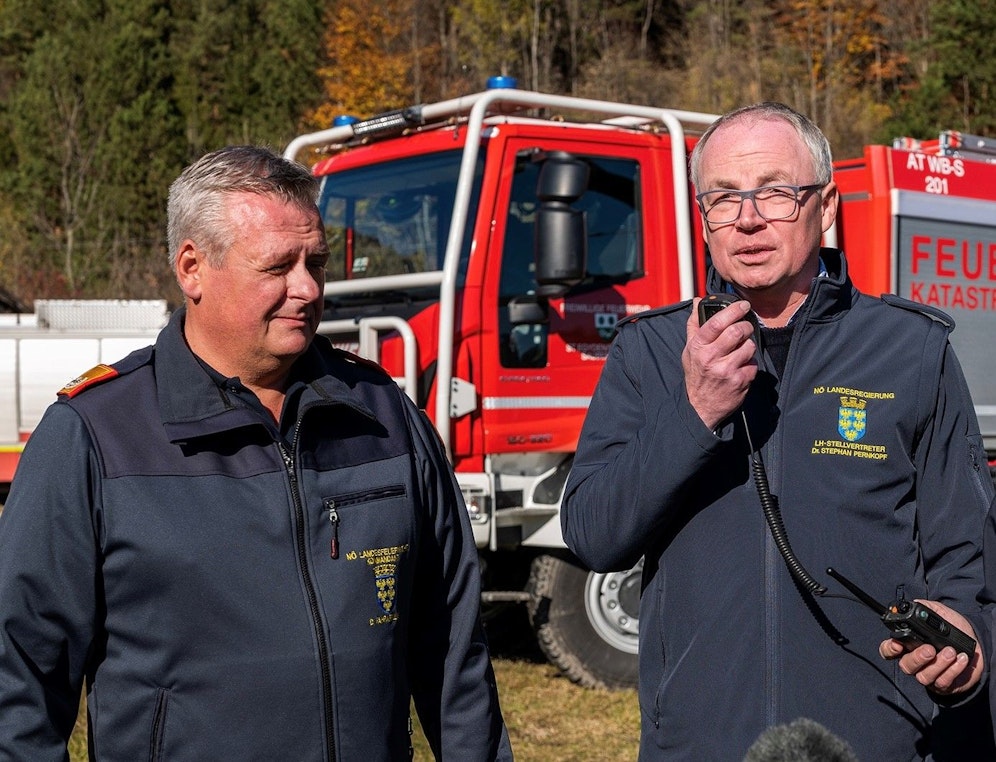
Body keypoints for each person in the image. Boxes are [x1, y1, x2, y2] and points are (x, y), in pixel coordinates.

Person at [0, 145, 512, 761]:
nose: (306, 288)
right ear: (192, 267)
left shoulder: (385, 415)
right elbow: (19, 677)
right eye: (277, 266)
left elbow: (453, 646)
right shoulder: (95, 434)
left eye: (315, 262)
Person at [560, 102, 994, 759]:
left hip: (875, 737)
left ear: (826, 208)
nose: (748, 217)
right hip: (704, 741)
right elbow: (594, 535)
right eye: (724, 197)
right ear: (702, 218)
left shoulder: (911, 348)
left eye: (775, 192)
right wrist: (694, 411)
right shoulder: (649, 352)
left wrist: (966, 627)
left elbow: (965, 548)